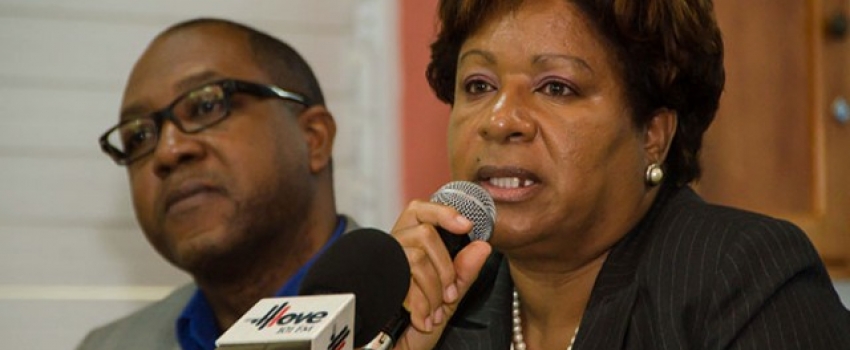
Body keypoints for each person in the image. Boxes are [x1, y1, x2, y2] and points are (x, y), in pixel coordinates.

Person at [388, 0, 850, 349]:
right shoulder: (442, 305)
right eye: (479, 86)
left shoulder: (744, 279)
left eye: (555, 87)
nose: (500, 119)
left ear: (653, 133)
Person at [77, 18, 355, 350]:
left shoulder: (420, 316)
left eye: (206, 105)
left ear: (313, 139)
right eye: (138, 136)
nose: (167, 151)